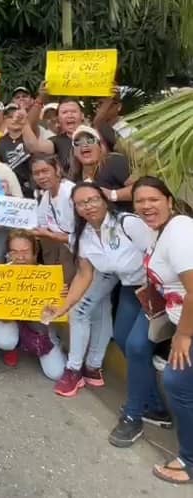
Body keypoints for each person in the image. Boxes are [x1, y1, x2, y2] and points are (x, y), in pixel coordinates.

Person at [45, 183, 162, 408]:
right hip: (128, 287)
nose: (88, 206)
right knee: (120, 335)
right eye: (81, 203)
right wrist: (62, 308)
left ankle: (153, 403)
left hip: (154, 286)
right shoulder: (83, 236)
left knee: (136, 344)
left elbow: (158, 252)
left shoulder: (127, 223)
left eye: (93, 199)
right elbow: (84, 275)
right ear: (75, 208)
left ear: (104, 199)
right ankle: (84, 370)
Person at [130, 177, 193, 485]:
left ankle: (191, 461)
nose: (146, 206)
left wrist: (183, 335)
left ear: (169, 200)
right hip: (182, 318)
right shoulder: (162, 232)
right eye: (139, 201)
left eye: (153, 199)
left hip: (189, 325)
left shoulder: (179, 229)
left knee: (177, 382)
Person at [0, 230, 66, 380]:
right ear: (9, 253)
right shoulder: (0, 274)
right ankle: (15, 345)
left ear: (35, 252)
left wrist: (63, 294)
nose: (20, 257)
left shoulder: (48, 277)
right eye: (14, 252)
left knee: (57, 373)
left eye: (25, 252)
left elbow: (56, 312)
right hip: (10, 322)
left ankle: (51, 343)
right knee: (4, 340)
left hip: (40, 328)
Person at [30, 154, 76, 283]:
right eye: (36, 173)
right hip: (59, 247)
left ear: (57, 169)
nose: (41, 177)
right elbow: (40, 225)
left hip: (77, 249)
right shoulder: (46, 196)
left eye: (45, 171)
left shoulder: (71, 192)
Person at [68, 125, 133, 211]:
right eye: (77, 142)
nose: (84, 145)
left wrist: (113, 195)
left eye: (90, 140)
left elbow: (141, 188)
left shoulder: (113, 161)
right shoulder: (76, 175)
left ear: (100, 147)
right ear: (74, 152)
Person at [23, 95, 84, 173]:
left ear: (82, 115)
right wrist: (24, 123)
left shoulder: (95, 136)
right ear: (58, 119)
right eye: (64, 112)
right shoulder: (56, 141)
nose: (69, 115)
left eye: (73, 112)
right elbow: (34, 147)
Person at [0, 104, 33, 198]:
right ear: (4, 120)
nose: (14, 120)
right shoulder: (1, 141)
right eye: (10, 117)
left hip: (32, 186)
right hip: (12, 187)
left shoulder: (30, 136)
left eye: (17, 117)